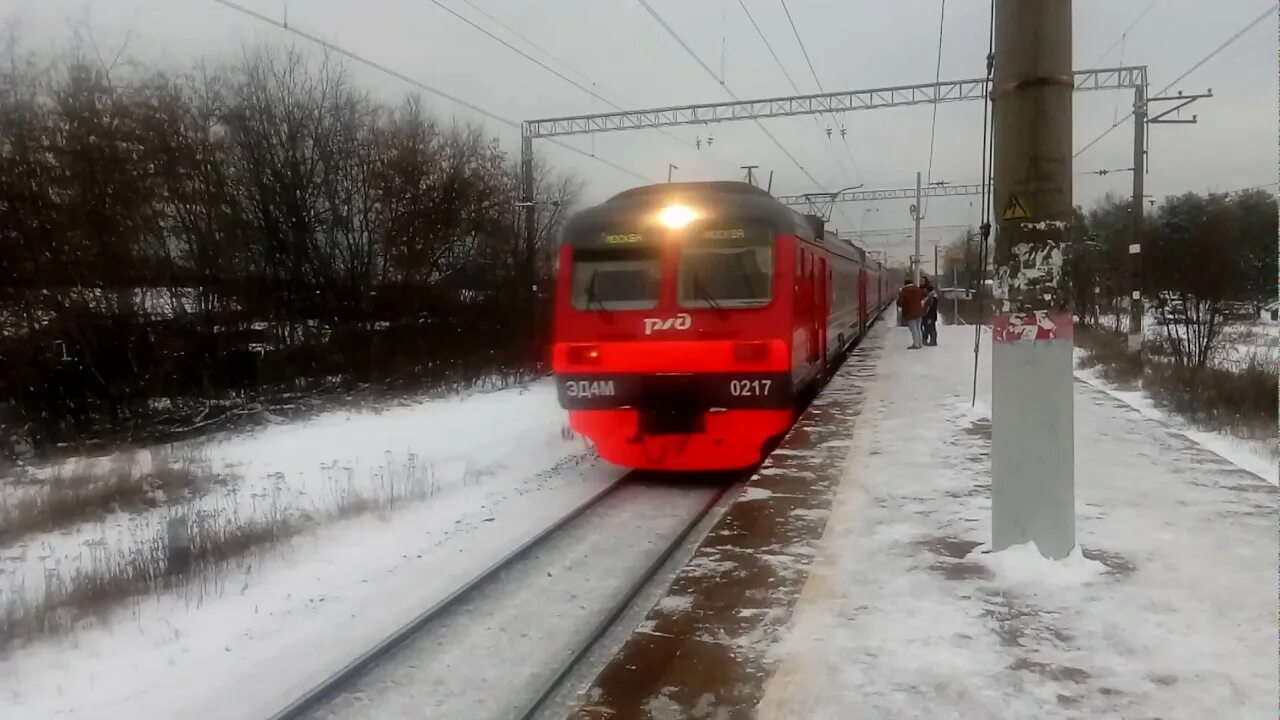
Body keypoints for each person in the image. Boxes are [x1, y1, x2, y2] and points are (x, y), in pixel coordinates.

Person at [896, 277, 926, 349]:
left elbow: (899, 303)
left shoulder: (904, 291)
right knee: (918, 328)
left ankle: (916, 344)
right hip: (919, 312)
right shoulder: (918, 289)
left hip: (910, 313)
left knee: (913, 329)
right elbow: (923, 295)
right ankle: (920, 343)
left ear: (905, 284)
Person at [921, 277, 939, 347]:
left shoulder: (932, 296)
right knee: (926, 327)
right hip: (926, 314)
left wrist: (930, 316)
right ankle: (926, 339)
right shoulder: (926, 293)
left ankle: (933, 341)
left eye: (922, 281)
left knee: (931, 327)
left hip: (930, 314)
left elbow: (933, 307)